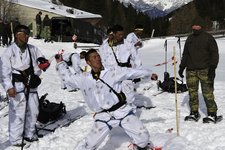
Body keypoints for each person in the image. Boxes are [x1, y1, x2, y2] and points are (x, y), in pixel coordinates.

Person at [55, 49, 158, 150]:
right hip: (103, 116)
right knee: (89, 145)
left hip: (122, 111)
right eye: (94, 57)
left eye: (98, 56)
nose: (98, 59)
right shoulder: (84, 78)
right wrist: (60, 64)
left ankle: (138, 147)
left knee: (144, 138)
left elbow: (131, 72)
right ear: (88, 62)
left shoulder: (113, 72)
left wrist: (149, 74)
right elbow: (68, 78)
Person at [0, 25, 50, 146]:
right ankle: (16, 139)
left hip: (31, 82)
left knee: (33, 110)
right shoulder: (9, 51)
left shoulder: (32, 49)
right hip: (17, 85)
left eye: (28, 34)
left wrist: (43, 64)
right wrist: (8, 87)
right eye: (25, 34)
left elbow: (41, 60)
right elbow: (4, 71)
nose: (27, 36)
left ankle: (30, 133)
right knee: (18, 112)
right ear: (17, 35)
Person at [178, 17, 223, 123]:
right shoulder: (189, 38)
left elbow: (214, 54)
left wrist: (212, 68)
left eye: (197, 25)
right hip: (191, 70)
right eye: (194, 26)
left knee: (207, 93)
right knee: (192, 92)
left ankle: (212, 114)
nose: (195, 27)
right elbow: (185, 54)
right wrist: (181, 67)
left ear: (201, 26)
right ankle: (194, 113)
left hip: (205, 70)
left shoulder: (208, 38)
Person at [99, 25, 152, 109]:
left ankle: (130, 109)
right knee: (114, 93)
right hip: (112, 73)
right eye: (119, 34)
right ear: (114, 34)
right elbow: (103, 61)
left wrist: (138, 72)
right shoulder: (105, 46)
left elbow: (136, 58)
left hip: (126, 71)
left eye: (122, 34)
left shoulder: (128, 44)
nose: (121, 36)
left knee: (129, 92)